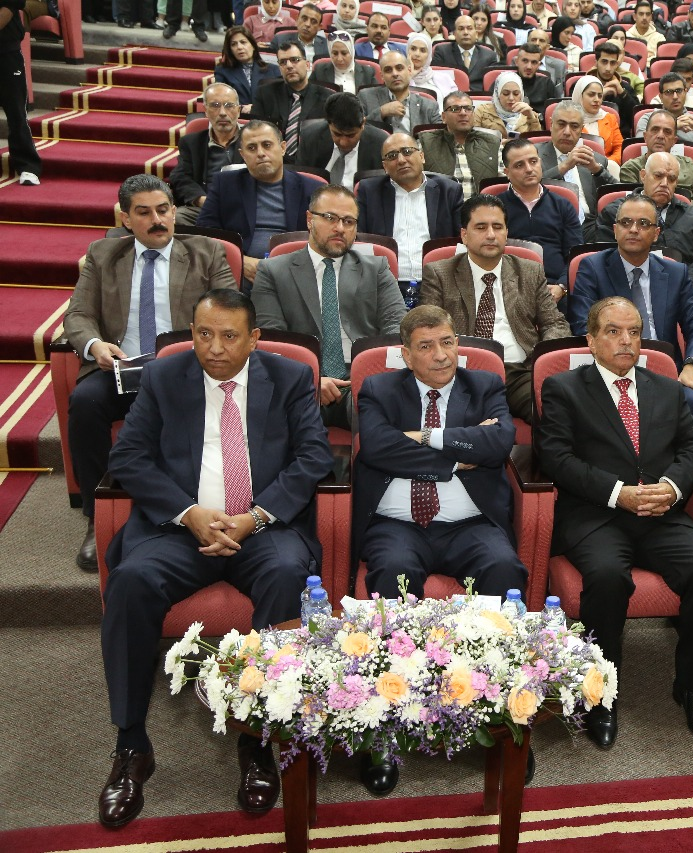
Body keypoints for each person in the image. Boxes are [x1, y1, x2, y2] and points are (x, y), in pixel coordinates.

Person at [96, 289, 332, 829]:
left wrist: (256, 517)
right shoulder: (164, 376)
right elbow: (128, 455)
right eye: (204, 334)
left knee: (286, 574)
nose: (215, 348)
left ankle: (260, 739)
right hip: (182, 530)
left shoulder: (291, 377)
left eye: (229, 336)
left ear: (254, 338)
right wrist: (188, 513)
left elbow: (313, 455)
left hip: (262, 528)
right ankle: (131, 745)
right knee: (130, 581)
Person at [535, 295, 693, 749]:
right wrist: (616, 492)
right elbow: (555, 458)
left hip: (661, 512)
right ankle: (601, 694)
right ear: (591, 340)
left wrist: (672, 488)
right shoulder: (564, 388)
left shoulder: (666, 387)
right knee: (607, 577)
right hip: (597, 513)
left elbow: (692, 448)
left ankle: (692, 687)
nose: (626, 341)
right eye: (613, 332)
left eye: (634, 332)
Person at [64, 175, 237, 573]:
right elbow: (78, 314)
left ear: (174, 212)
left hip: (187, 368)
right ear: (126, 219)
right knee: (85, 403)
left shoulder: (207, 252)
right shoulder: (103, 254)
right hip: (120, 367)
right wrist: (95, 345)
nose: (157, 220)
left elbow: (232, 310)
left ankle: (194, 509)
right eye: (144, 213)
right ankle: (96, 516)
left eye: (163, 210)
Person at [352, 304, 527, 685]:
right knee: (393, 570)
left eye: (447, 343)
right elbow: (378, 448)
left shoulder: (484, 385)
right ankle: (397, 682)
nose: (441, 355)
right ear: (406, 355)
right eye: (426, 346)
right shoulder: (379, 389)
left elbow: (498, 443)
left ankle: (493, 681)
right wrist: (456, 459)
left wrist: (425, 436)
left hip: (471, 524)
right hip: (396, 525)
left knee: (503, 567)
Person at [252, 185, 407, 428]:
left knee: (380, 417)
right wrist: (312, 379)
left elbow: (395, 329)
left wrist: (367, 377)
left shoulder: (376, 268)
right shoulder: (273, 271)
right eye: (330, 218)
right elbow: (274, 339)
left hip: (362, 379)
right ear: (309, 219)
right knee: (277, 419)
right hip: (302, 381)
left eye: (348, 221)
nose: (340, 228)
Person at [419, 196, 571, 418]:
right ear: (464, 235)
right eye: (481, 227)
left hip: (520, 371)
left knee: (554, 414)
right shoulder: (439, 273)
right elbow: (428, 330)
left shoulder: (529, 271)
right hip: (463, 372)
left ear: (506, 233)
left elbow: (554, 323)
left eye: (497, 227)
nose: (491, 234)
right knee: (459, 423)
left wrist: (542, 362)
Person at [569, 194, 693, 421]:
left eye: (643, 223)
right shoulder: (593, 268)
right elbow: (583, 326)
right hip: (614, 367)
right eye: (626, 222)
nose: (633, 229)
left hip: (665, 371)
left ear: (656, 233)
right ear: (615, 230)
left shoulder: (675, 272)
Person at [196, 121, 318, 279]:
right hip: (240, 271)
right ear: (242, 155)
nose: (260, 153)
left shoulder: (313, 188)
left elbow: (323, 237)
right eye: (252, 148)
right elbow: (205, 233)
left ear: (283, 148)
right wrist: (240, 260)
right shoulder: (224, 183)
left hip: (294, 271)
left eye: (267, 145)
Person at [356, 132, 464, 297]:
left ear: (422, 156)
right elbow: (360, 240)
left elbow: (462, 240)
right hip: (385, 284)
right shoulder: (369, 192)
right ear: (385, 166)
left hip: (437, 283)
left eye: (407, 152)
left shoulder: (449, 191)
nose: (401, 160)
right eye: (392, 156)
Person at [595, 153, 693, 294]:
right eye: (658, 176)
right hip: (626, 290)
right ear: (643, 176)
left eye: (671, 179)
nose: (664, 184)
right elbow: (606, 257)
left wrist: (688, 285)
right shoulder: (616, 213)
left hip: (682, 291)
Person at [497, 138, 582, 288]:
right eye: (519, 165)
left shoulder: (562, 205)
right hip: (509, 286)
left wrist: (562, 286)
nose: (529, 169)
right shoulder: (495, 208)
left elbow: (575, 254)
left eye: (533, 161)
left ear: (540, 163)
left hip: (555, 285)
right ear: (507, 172)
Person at [537, 101, 613, 243]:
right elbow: (528, 187)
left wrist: (597, 170)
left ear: (581, 129)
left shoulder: (595, 159)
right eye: (561, 124)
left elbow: (614, 195)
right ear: (551, 124)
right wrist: (564, 166)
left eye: (574, 126)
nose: (567, 132)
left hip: (590, 229)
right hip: (549, 225)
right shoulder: (534, 155)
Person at [169, 83, 242, 226]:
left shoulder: (254, 138)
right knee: (177, 217)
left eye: (229, 105)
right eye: (215, 105)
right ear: (206, 111)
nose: (222, 112)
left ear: (238, 110)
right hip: (206, 207)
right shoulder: (192, 142)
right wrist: (202, 200)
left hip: (246, 206)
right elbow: (180, 177)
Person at [251, 41, 330, 162]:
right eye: (283, 62)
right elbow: (255, 132)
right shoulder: (265, 94)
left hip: (313, 164)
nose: (288, 66)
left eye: (294, 60)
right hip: (273, 161)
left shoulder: (327, 98)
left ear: (307, 65)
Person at [620, 111, 693, 214]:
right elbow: (633, 204)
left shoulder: (688, 164)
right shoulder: (631, 168)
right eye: (655, 130)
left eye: (667, 132)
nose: (660, 136)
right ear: (645, 136)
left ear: (674, 141)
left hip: (687, 218)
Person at [297, 92, 389, 190]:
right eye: (337, 134)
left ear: (363, 124)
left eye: (350, 135)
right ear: (329, 124)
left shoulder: (380, 143)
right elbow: (300, 181)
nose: (343, 142)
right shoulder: (310, 138)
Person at [419, 92, 502, 198]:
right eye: (455, 109)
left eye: (468, 109)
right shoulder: (425, 143)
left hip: (483, 206)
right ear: (444, 117)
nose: (463, 113)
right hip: (442, 207)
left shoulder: (492, 143)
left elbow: (504, 184)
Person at [360, 49, 444, 138]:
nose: (395, 74)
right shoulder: (366, 97)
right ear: (382, 76)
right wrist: (381, 112)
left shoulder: (429, 106)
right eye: (388, 70)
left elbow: (441, 137)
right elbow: (357, 129)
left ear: (409, 70)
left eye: (399, 68)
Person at [637, 73, 693, 164]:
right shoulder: (648, 119)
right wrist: (673, 126)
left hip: (691, 171)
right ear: (661, 97)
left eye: (679, 91)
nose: (675, 97)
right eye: (669, 92)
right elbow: (640, 152)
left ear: (685, 92)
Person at [214, 25, 280, 107]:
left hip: (265, 114)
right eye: (233, 44)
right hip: (237, 113)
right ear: (230, 50)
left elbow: (280, 100)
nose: (239, 47)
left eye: (243, 42)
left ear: (253, 46)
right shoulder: (222, 71)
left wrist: (256, 108)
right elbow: (220, 100)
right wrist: (241, 108)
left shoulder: (273, 70)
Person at [432, 14, 501, 90]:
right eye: (461, 29)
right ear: (454, 34)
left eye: (469, 28)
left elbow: (491, 87)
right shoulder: (442, 52)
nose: (465, 32)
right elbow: (437, 81)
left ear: (476, 34)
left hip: (477, 96)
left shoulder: (489, 56)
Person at [592, 41, 643, 133]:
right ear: (596, 62)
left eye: (612, 63)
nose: (608, 68)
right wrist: (600, 95)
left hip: (620, 136)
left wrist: (622, 93)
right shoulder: (581, 86)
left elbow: (637, 119)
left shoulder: (625, 88)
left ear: (617, 64)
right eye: (604, 62)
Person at [571, 76, 624, 163]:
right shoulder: (569, 120)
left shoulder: (610, 118)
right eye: (591, 95)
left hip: (608, 166)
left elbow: (620, 148)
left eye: (600, 96)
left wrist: (606, 163)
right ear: (580, 96)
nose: (597, 100)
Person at [474, 71, 543, 138]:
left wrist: (532, 118)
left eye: (516, 94)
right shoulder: (482, 111)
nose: (511, 98)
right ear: (498, 94)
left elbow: (538, 142)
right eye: (505, 93)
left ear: (521, 95)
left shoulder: (529, 113)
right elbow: (473, 139)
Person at [512, 42, 562, 116]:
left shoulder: (547, 84)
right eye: (525, 61)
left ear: (538, 65)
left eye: (534, 62)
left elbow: (555, 113)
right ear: (516, 61)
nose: (529, 67)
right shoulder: (505, 82)